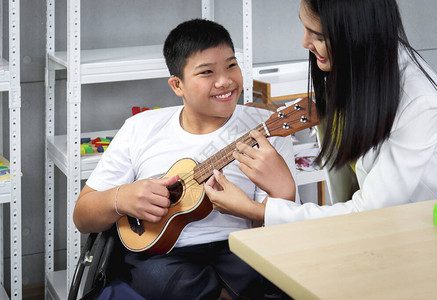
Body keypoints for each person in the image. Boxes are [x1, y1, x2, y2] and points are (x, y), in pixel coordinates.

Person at [73, 18, 298, 299]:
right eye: (206, 72)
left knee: (271, 271)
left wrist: (276, 196)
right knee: (158, 275)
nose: (225, 80)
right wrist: (122, 198)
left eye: (231, 65)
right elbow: (83, 217)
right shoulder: (140, 127)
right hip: (161, 253)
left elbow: (280, 231)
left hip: (239, 247)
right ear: (177, 85)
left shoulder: (267, 128)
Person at [204, 0, 437, 227]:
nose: (305, 43)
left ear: (357, 36)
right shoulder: (363, 63)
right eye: (304, 26)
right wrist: (275, 116)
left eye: (319, 35)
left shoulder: (419, 102)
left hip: (426, 227)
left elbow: (371, 212)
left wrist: (257, 210)